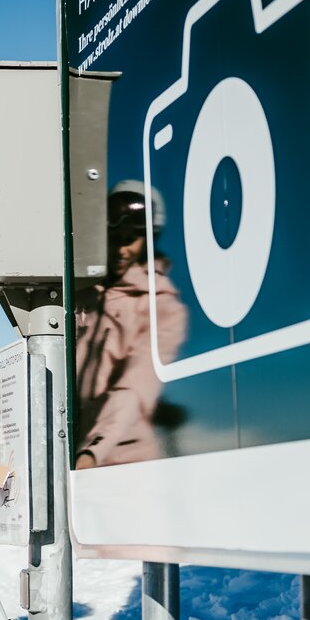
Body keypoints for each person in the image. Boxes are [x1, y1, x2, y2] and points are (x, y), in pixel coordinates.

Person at [73, 180, 187, 468]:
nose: (122, 248)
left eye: (132, 238)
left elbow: (134, 387)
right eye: (115, 236)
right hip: (77, 455)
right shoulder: (84, 297)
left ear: (147, 241)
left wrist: (91, 452)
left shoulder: (162, 307)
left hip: (124, 462)